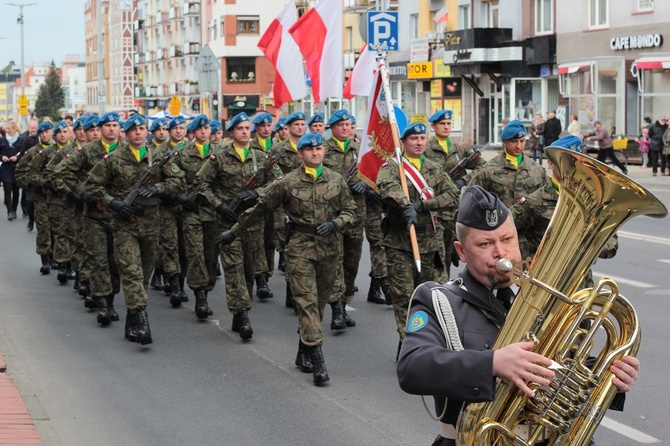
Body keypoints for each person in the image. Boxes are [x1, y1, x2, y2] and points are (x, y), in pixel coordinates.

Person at [397, 185, 640, 446]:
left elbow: (567, 364)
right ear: (462, 251)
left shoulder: (549, 296)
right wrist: (491, 363)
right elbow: (412, 366)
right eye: (485, 244)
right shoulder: (439, 300)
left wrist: (608, 373)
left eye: (507, 239)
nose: (500, 252)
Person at [215, 131, 357, 386]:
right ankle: (318, 360)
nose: (316, 152)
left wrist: (336, 224)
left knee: (320, 303)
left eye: (319, 149)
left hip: (329, 250)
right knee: (306, 303)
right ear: (300, 154)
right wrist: (233, 232)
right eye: (310, 149)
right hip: (300, 249)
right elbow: (259, 210)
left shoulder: (336, 180)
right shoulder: (287, 183)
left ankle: (304, 349)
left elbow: (350, 211)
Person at [87, 114, 186, 345]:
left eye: (142, 128)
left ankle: (131, 320)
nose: (139, 133)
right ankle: (142, 322)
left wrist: (158, 188)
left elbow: (179, 181)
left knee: (143, 275)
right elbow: (91, 185)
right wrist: (113, 203)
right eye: (134, 129)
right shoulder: (113, 158)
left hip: (152, 224)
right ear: (127, 133)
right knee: (131, 274)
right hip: (125, 225)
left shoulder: (159, 157)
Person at [194, 112, 277, 341]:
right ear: (231, 132)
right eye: (239, 128)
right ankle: (241, 314)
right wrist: (219, 206)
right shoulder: (218, 158)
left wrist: (256, 194)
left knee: (250, 270)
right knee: (233, 269)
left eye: (246, 128)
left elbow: (279, 183)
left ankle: (239, 309)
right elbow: (201, 184)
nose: (244, 131)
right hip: (227, 223)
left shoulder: (261, 158)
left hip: (253, 223)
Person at [376, 122, 460, 349]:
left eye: (423, 138)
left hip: (430, 244)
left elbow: (453, 195)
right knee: (404, 297)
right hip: (400, 243)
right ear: (403, 142)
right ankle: (408, 346)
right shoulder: (393, 167)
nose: (419, 143)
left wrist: (423, 205)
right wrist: (405, 206)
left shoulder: (434, 168)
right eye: (414, 139)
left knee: (432, 297)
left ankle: (428, 341)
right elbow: (387, 186)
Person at [424, 109, 486, 281]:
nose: (446, 127)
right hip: (434, 208)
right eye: (442, 124)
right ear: (434, 126)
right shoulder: (426, 149)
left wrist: (465, 180)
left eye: (448, 124)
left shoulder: (459, 150)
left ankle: (446, 285)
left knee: (452, 250)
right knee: (437, 253)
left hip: (455, 210)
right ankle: (437, 287)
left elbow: (483, 167)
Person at [322, 109, 366, 326]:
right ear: (332, 128)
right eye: (342, 125)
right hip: (333, 216)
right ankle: (337, 308)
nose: (346, 128)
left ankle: (345, 300)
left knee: (351, 264)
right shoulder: (323, 151)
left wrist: (365, 184)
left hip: (356, 216)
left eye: (349, 125)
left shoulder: (361, 150)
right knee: (335, 263)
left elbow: (376, 175)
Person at [1, 122, 24, 220]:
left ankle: (14, 210)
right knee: (7, 189)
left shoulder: (21, 141)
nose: (7, 130)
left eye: (9, 128)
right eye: (6, 128)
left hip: (16, 169)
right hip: (6, 168)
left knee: (16, 190)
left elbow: (24, 154)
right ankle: (9, 211)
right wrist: (2, 157)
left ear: (14, 129)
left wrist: (17, 158)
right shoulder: (2, 140)